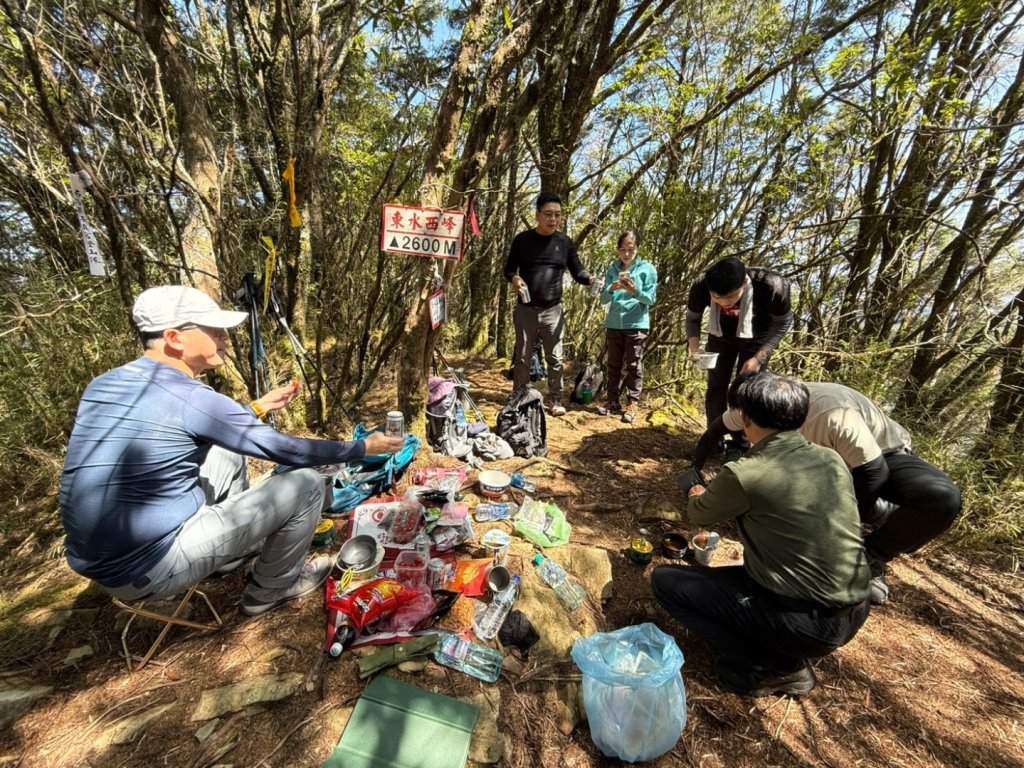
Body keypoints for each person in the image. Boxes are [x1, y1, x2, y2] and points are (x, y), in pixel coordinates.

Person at [60, 285, 405, 617]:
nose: (226, 338)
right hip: (149, 565)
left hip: (107, 560)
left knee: (226, 451)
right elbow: (286, 451)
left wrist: (256, 408)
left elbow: (190, 424)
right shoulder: (191, 396)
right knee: (308, 484)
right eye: (215, 330)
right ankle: (270, 590)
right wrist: (360, 447)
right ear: (174, 339)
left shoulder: (107, 383)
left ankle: (230, 556)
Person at [652, 372, 871, 697]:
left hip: (806, 623)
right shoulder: (831, 458)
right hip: (856, 607)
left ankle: (777, 666)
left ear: (745, 417)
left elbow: (699, 514)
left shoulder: (746, 473)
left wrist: (697, 492)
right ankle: (779, 647)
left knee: (665, 582)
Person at [692, 378, 962, 605]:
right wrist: (694, 465)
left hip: (882, 456)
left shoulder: (831, 414)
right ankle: (877, 514)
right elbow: (718, 426)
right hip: (819, 466)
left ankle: (871, 555)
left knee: (942, 498)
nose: (742, 422)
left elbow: (874, 472)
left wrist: (846, 526)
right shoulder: (758, 406)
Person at [504, 192, 598, 416]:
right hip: (526, 308)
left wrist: (590, 279)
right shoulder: (522, 240)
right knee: (523, 358)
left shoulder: (564, 242)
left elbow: (578, 271)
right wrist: (515, 279)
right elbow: (508, 269)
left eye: (557, 215)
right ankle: (519, 397)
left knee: (555, 358)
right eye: (548, 214)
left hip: (553, 310)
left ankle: (556, 399)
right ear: (537, 215)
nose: (553, 219)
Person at [685, 257, 793, 451]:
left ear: (743, 283)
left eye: (729, 297)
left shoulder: (772, 286)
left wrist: (760, 356)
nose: (724, 303)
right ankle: (713, 441)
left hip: (757, 337)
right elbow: (693, 318)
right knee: (716, 387)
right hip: (719, 334)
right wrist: (694, 346)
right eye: (717, 298)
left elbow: (783, 323)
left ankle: (740, 445)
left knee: (745, 392)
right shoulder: (702, 285)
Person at [596, 230, 657, 424]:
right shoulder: (613, 268)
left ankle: (632, 403)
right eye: (622, 249)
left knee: (634, 366)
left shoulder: (647, 269)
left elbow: (651, 299)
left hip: (637, 323)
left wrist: (634, 290)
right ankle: (612, 402)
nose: (626, 253)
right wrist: (610, 288)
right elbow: (603, 299)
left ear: (637, 249)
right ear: (618, 250)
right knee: (613, 365)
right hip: (614, 323)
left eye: (630, 249)